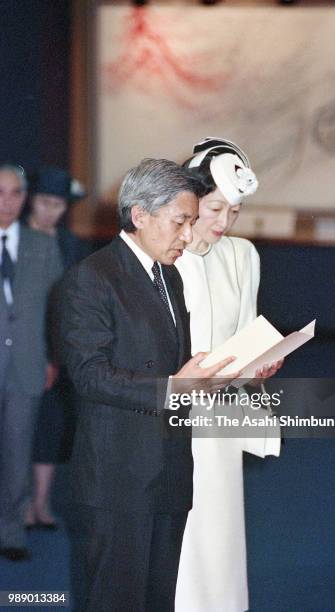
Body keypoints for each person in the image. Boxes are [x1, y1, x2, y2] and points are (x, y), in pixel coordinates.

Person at [60, 158, 240, 612]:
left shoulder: (169, 276)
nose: (187, 236)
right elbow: (90, 376)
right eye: (180, 222)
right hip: (119, 476)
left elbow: (174, 368)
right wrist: (176, 387)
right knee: (116, 600)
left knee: (159, 598)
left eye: (192, 223)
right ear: (139, 215)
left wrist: (216, 379)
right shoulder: (92, 277)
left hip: (170, 468)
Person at [175, 138, 282, 612]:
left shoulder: (243, 256)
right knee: (181, 536)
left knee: (220, 533)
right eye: (215, 208)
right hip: (173, 416)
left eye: (234, 212)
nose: (224, 223)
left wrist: (261, 366)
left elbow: (245, 338)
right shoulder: (164, 256)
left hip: (220, 420)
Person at [0, 164, 62, 562]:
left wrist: (53, 358)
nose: (7, 201)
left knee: (18, 450)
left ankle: (11, 531)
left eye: (15, 193)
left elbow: (58, 309)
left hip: (27, 365)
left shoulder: (43, 245)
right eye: (0, 192)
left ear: (25, 198)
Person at [24, 167, 89, 529]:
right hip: (18, 347)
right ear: (31, 200)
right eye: (46, 202)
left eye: (59, 205)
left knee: (49, 426)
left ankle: (41, 503)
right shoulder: (12, 238)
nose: (52, 210)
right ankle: (16, 505)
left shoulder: (70, 244)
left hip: (58, 350)